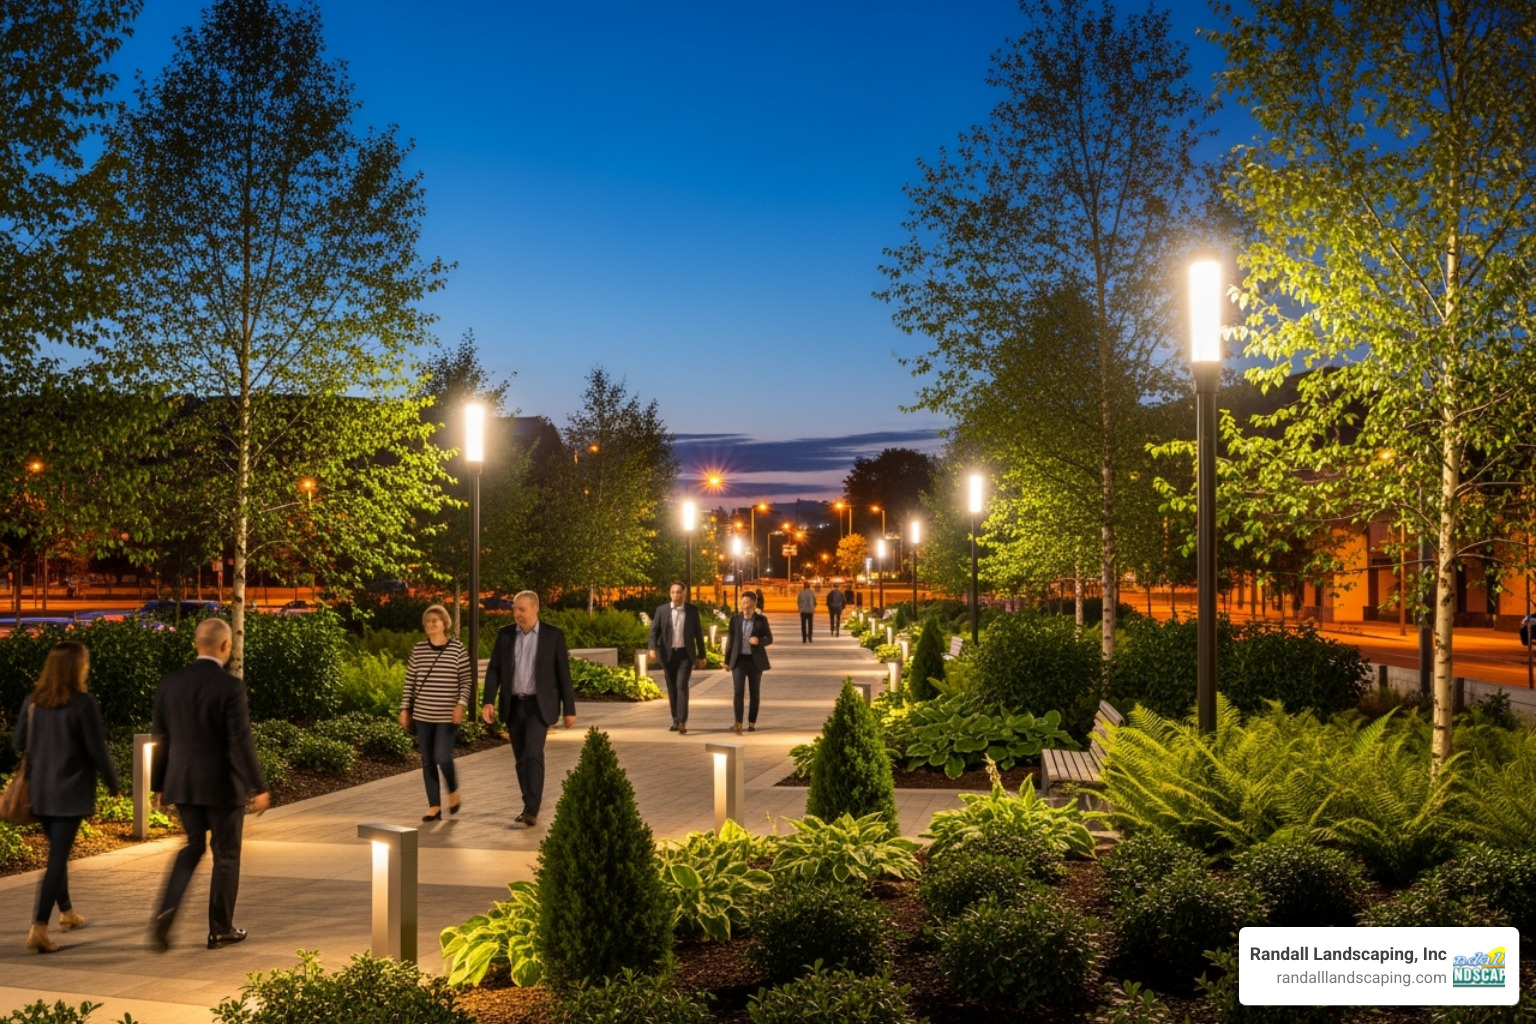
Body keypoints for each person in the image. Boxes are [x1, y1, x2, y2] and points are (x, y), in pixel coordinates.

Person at [150, 617, 269, 951]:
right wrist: (258, 786)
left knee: (192, 846)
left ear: (195, 643)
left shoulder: (170, 683)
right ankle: (220, 928)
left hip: (182, 782)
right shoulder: (230, 687)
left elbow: (160, 737)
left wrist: (158, 785)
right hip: (221, 785)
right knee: (226, 855)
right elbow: (239, 740)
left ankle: (167, 908)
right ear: (226, 647)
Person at [13, 642, 120, 953]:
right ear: (76, 668)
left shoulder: (32, 702)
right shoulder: (83, 703)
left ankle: (67, 912)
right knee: (57, 860)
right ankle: (39, 927)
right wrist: (113, 784)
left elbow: (19, 741)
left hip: (39, 791)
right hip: (70, 791)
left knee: (57, 854)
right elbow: (96, 749)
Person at [481, 591, 576, 828]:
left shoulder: (553, 636)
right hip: (513, 704)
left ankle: (532, 808)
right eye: (514, 609)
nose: (517, 614)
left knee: (533, 753)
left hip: (539, 705)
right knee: (520, 758)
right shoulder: (505, 635)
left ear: (536, 608)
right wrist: (488, 701)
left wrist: (569, 709)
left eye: (521, 610)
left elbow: (563, 673)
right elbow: (494, 669)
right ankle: (528, 804)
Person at [401, 604, 471, 821]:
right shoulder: (419, 649)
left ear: (445, 624)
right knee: (428, 760)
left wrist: (460, 705)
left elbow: (466, 681)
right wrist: (405, 708)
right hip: (423, 715)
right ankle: (434, 806)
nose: (431, 624)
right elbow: (410, 682)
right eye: (428, 621)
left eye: (435, 620)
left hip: (448, 716)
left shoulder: (457, 649)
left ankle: (453, 790)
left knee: (441, 755)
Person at [647, 582, 706, 735]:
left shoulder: (692, 611)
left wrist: (702, 655)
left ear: (684, 594)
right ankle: (675, 718)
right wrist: (652, 648)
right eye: (673, 592)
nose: (676, 595)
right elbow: (654, 631)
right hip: (668, 655)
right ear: (670, 593)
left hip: (685, 655)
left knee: (681, 686)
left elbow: (698, 634)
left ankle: (682, 721)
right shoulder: (662, 610)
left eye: (679, 592)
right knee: (672, 688)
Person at [723, 591, 773, 734]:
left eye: (747, 603)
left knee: (754, 693)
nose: (745, 606)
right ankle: (738, 722)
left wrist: (759, 641)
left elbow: (769, 638)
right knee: (738, 692)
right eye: (743, 603)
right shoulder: (735, 619)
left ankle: (751, 722)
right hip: (739, 661)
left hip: (755, 662)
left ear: (754, 604)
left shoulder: (761, 620)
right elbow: (730, 641)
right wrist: (727, 661)